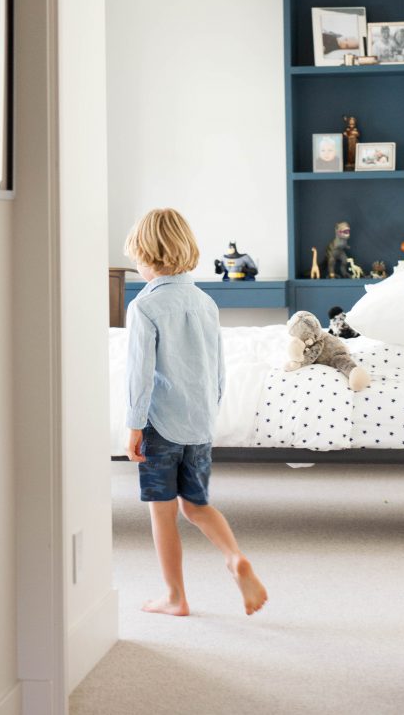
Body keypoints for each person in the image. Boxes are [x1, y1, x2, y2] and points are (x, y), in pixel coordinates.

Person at [123, 208, 268, 618]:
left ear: (147, 255)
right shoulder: (205, 302)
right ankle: (234, 556)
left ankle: (175, 597)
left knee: (163, 513)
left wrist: (134, 426)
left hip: (161, 426)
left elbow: (139, 376)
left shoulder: (145, 307)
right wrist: (208, 413)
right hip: (200, 424)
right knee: (197, 505)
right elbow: (217, 368)